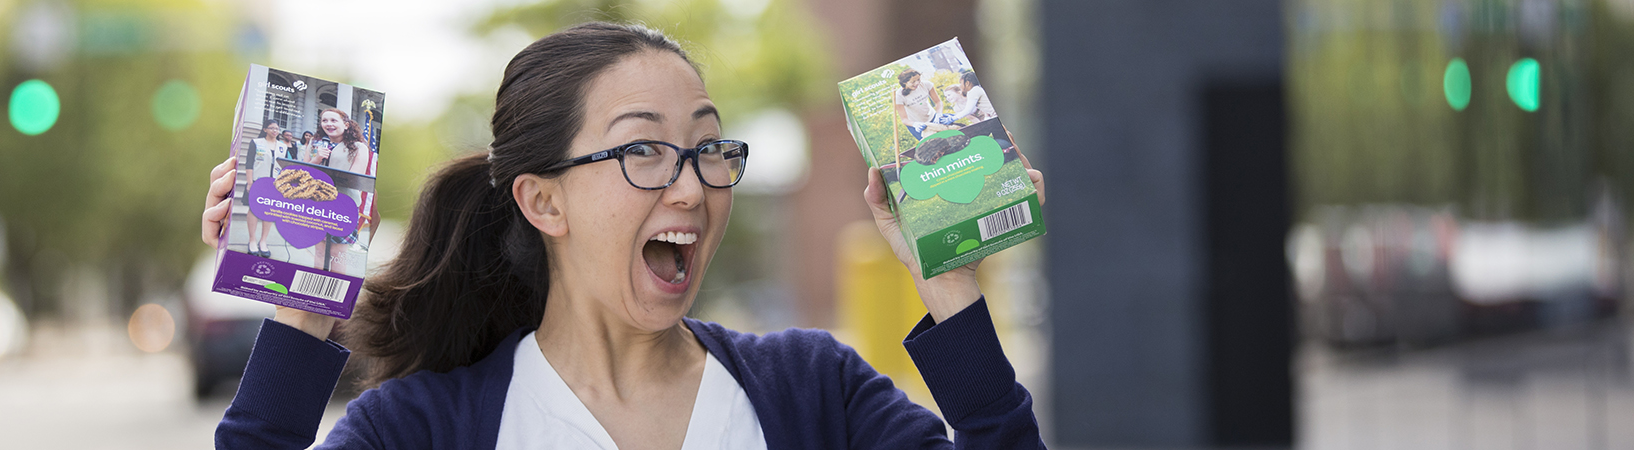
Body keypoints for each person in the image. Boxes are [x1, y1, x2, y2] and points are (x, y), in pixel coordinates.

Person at [201, 22, 1047, 449]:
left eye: (708, 146)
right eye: (643, 148)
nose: (690, 183)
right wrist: (302, 293)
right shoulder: (425, 427)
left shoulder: (813, 392)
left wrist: (951, 283)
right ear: (543, 201)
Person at [306, 107, 375, 273]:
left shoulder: (359, 147)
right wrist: (317, 159)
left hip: (343, 206)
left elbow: (354, 178)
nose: (328, 124)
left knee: (337, 254)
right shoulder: (314, 144)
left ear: (346, 125)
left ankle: (334, 291)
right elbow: (304, 172)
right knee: (320, 251)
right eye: (324, 120)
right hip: (318, 204)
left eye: (333, 120)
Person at [246, 120, 290, 258]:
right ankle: (252, 240)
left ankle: (263, 241)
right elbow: (249, 162)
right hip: (257, 181)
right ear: (265, 129)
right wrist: (249, 182)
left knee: (269, 212)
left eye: (277, 128)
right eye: (271, 128)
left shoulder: (283, 146)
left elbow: (285, 166)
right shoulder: (256, 142)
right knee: (253, 209)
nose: (274, 131)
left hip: (275, 184)